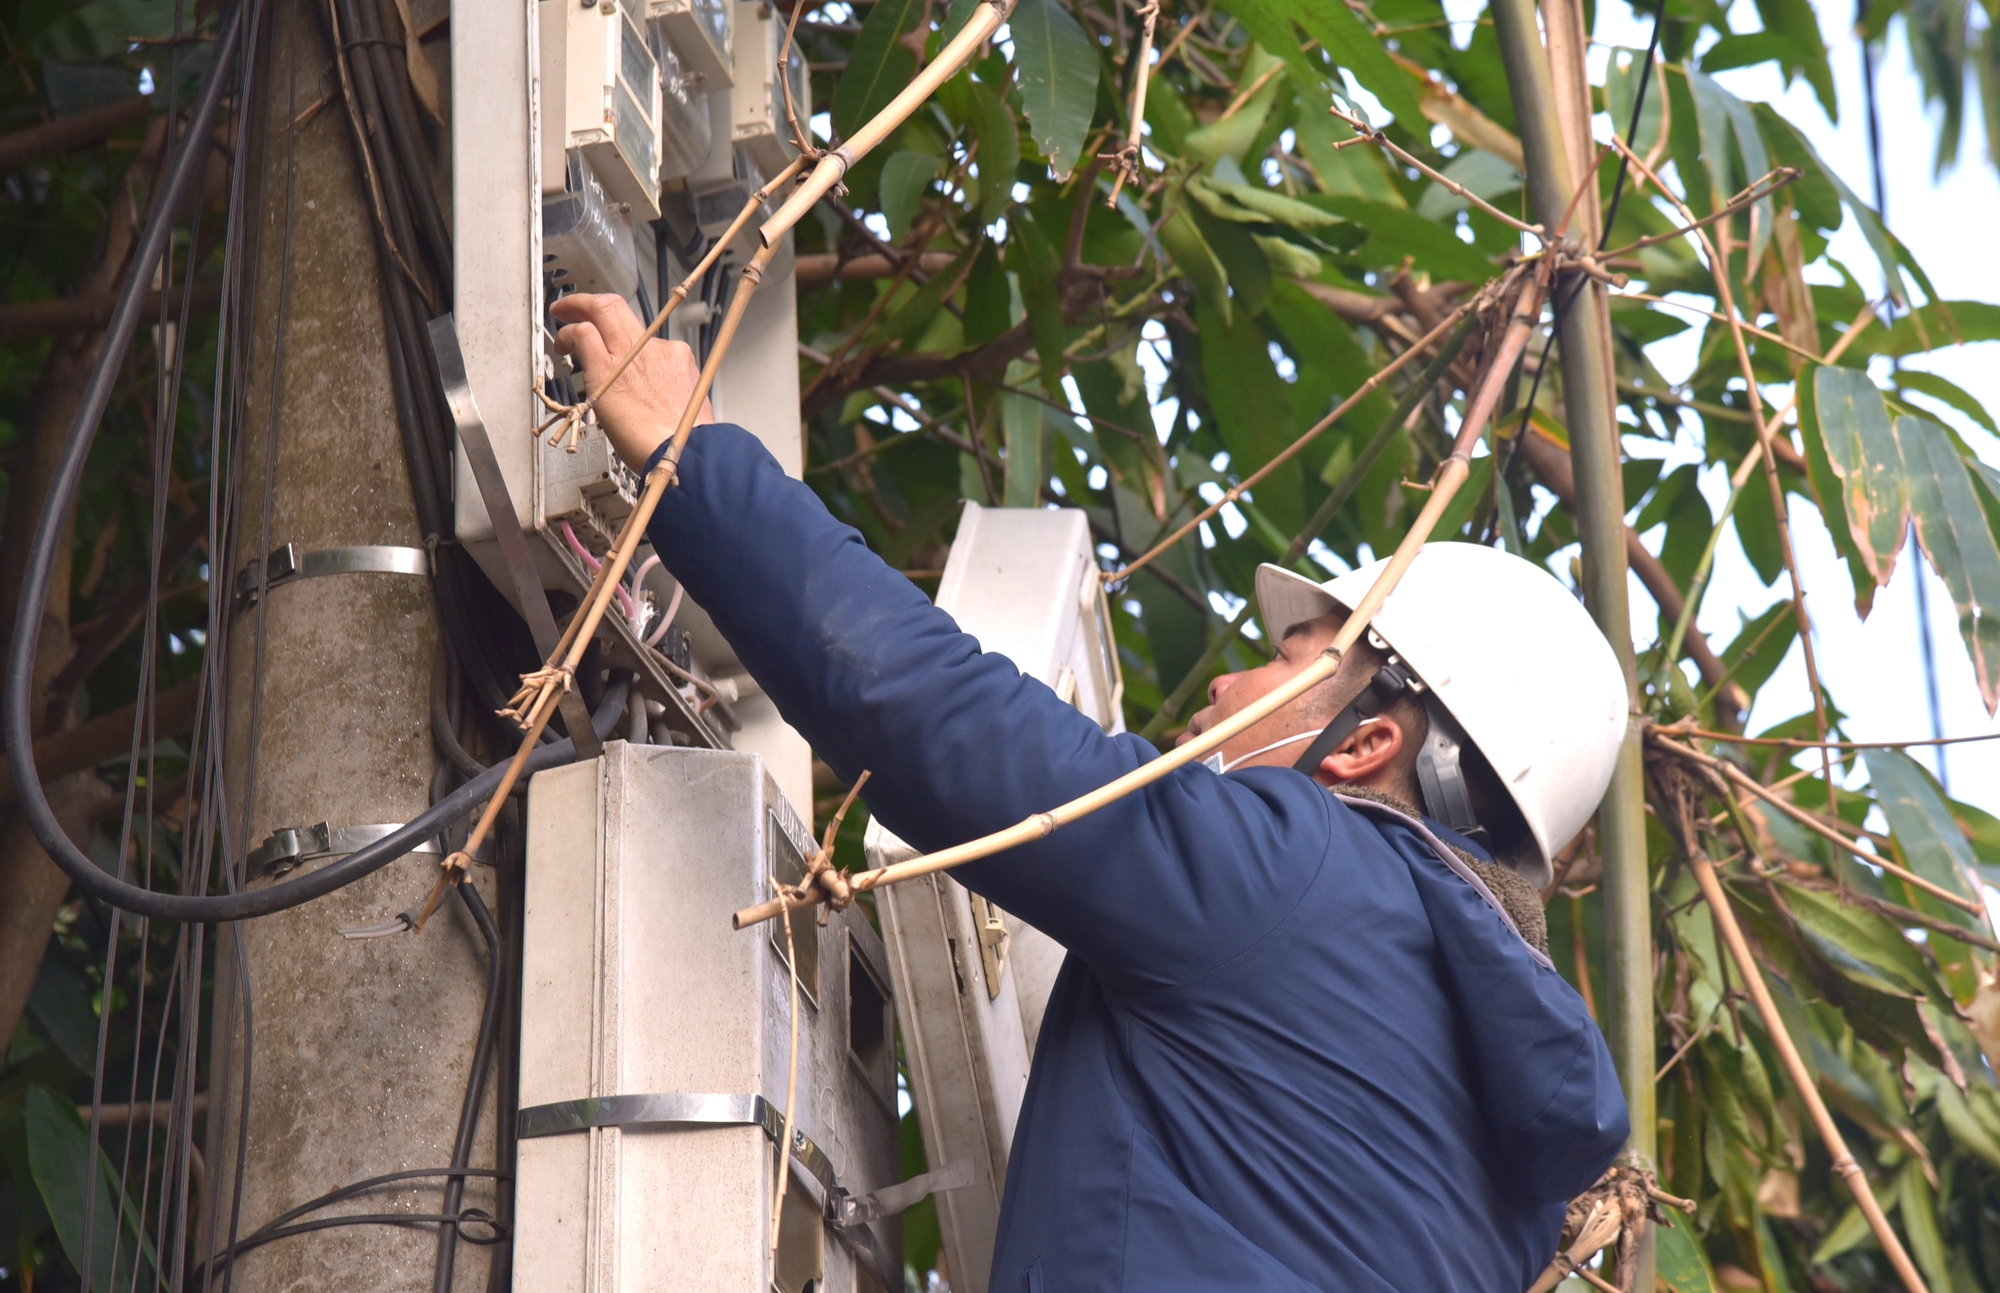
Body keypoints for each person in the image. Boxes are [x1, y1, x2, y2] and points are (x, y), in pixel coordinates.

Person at [549, 292, 1632, 1292]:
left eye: (1286, 655)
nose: (1222, 681)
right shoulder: (1514, 1198)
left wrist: (689, 456)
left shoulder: (1295, 872)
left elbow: (934, 719)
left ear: (1365, 744)